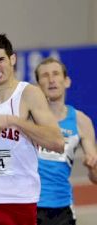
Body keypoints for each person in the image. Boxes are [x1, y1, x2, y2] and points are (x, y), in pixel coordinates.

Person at [0, 34, 65, 225]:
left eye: (0, 60)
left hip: (20, 199)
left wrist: (16, 122)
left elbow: (57, 142)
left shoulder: (29, 94)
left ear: (13, 59)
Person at [35, 57, 97, 225]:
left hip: (62, 209)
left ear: (67, 81)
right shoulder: (29, 119)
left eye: (56, 74)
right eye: (45, 76)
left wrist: (92, 166)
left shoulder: (81, 121)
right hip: (29, 204)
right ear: (38, 86)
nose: (51, 80)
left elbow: (95, 177)